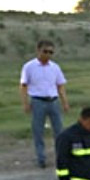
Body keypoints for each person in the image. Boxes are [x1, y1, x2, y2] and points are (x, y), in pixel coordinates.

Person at [19, 39, 70, 168]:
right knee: (38, 131)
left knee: (59, 131)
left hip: (53, 101)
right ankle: (41, 158)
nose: (48, 55)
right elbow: (23, 85)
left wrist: (65, 102)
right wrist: (25, 103)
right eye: (45, 51)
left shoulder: (55, 67)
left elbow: (61, 85)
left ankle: (62, 157)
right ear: (38, 50)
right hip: (37, 102)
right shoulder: (29, 67)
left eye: (51, 52)